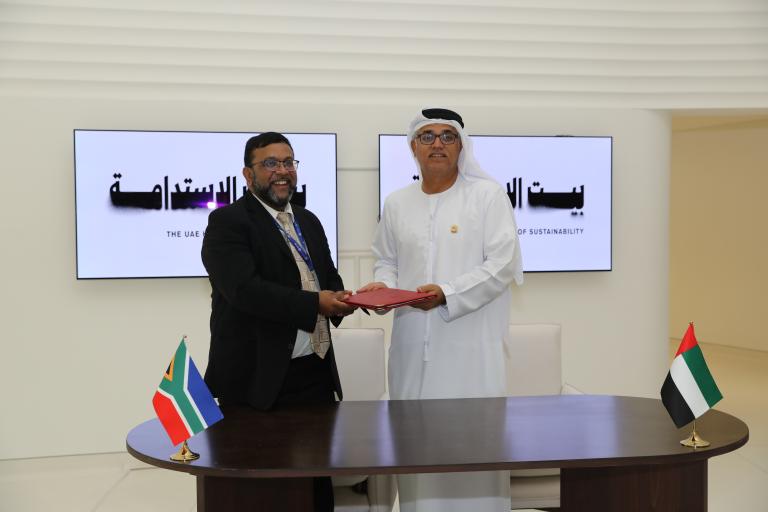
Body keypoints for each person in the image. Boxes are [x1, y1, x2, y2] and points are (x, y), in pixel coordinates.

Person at [359, 108, 523, 512]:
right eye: (427, 136)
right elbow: (386, 258)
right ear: (413, 147)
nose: (437, 144)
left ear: (461, 146)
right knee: (417, 453)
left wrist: (447, 293)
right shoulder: (397, 202)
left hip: (472, 353)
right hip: (412, 349)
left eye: (447, 137)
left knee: (475, 450)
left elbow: (503, 264)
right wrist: (382, 284)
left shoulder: (487, 196)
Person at [201, 131, 356, 512]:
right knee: (261, 496)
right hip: (257, 383)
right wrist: (316, 304)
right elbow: (245, 291)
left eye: (289, 162)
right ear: (247, 173)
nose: (282, 171)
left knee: (316, 493)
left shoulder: (309, 220)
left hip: (314, 377)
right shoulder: (228, 222)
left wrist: (348, 298)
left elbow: (327, 280)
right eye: (270, 163)